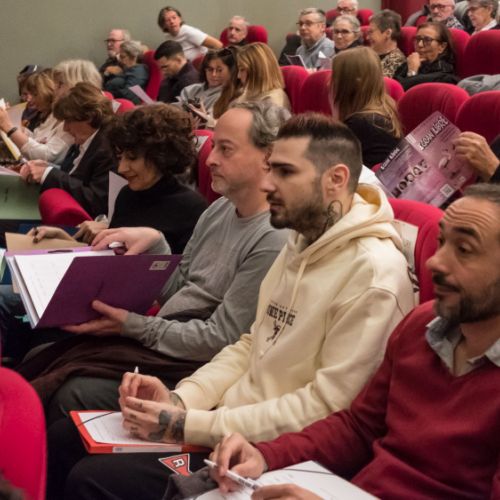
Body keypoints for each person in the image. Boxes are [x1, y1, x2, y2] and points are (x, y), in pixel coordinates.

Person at [46, 113, 415, 500]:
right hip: (226, 422)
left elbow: (326, 408)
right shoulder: (303, 241)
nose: (268, 183)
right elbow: (249, 344)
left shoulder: (374, 275)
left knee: (93, 478)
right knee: (67, 435)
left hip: (272, 452)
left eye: (285, 172)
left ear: (335, 179)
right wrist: (181, 399)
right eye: (271, 168)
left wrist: (188, 424)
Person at [210, 182, 500, 500]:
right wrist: (266, 454)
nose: (435, 262)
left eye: (464, 250)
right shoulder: (421, 325)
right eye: (442, 242)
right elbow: (360, 428)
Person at [19, 101, 289, 422]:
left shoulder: (273, 238)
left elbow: (219, 340)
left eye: (225, 149)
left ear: (269, 157)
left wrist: (132, 326)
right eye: (214, 146)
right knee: (44, 356)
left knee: (70, 391)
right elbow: (180, 291)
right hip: (167, 340)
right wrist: (155, 241)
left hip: (192, 368)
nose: (210, 159)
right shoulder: (219, 209)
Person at [19, 82, 116, 218]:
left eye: (69, 121)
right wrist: (47, 167)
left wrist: (48, 174)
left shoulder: (108, 148)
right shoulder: (87, 137)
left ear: (89, 117)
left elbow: (95, 201)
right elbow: (73, 174)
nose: (65, 128)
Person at [331, 46, 403, 168]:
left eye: (335, 77)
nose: (329, 83)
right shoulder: (384, 109)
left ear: (353, 83)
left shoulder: (358, 124)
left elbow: (332, 167)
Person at [0, 71, 73, 164]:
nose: (30, 99)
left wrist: (8, 126)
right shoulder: (50, 116)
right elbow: (35, 139)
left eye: (35, 94)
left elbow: (47, 156)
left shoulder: (68, 121)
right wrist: (10, 120)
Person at [394, 21, 459, 90]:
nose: (420, 45)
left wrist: (412, 72)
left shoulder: (444, 78)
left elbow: (404, 91)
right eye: (418, 39)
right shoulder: (410, 63)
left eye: (427, 40)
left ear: (442, 46)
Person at [176, 49, 235, 119]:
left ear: (231, 71)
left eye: (219, 70)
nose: (214, 74)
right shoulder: (189, 90)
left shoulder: (229, 96)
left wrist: (205, 118)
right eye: (210, 69)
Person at [235, 42, 291, 110]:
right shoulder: (249, 92)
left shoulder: (273, 102)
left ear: (257, 70)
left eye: (242, 69)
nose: (238, 76)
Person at [157, 6, 222, 61]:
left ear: (180, 19)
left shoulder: (188, 31)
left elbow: (218, 45)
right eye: (168, 20)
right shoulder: (168, 36)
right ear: (163, 25)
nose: (172, 22)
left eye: (174, 18)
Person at [367, 10, 407, 78]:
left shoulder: (397, 61)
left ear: (388, 33)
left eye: (371, 32)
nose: (367, 37)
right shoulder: (368, 54)